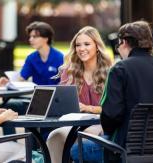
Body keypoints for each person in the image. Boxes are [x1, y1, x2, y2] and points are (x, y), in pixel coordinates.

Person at [73, 20, 153, 162]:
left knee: (74, 149)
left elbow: (110, 117)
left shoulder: (119, 70)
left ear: (123, 42)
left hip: (128, 151)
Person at [46, 26, 112, 163]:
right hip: (74, 124)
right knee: (55, 136)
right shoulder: (69, 72)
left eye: (87, 44)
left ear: (97, 46)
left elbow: (112, 108)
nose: (81, 49)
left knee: (82, 136)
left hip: (101, 124)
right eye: (78, 45)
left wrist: (89, 108)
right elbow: (60, 103)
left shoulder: (111, 72)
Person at [0, 21, 64, 135]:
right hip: (36, 100)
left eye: (35, 36)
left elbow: (65, 83)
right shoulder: (31, 58)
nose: (30, 39)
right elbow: (21, 78)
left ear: (46, 38)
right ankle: (12, 142)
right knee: (5, 107)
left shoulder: (59, 58)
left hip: (55, 101)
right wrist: (9, 81)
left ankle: (36, 147)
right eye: (30, 36)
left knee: (35, 115)